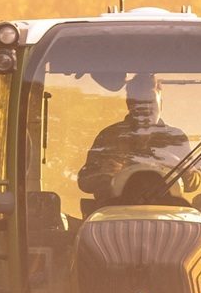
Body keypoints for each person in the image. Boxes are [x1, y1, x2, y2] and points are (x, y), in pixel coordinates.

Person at [78, 74, 193, 205]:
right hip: (113, 213)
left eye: (151, 103)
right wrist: (103, 172)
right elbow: (84, 182)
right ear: (129, 105)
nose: (147, 110)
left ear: (161, 104)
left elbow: (195, 183)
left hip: (170, 214)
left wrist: (185, 169)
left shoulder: (176, 138)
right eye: (140, 104)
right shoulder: (109, 136)